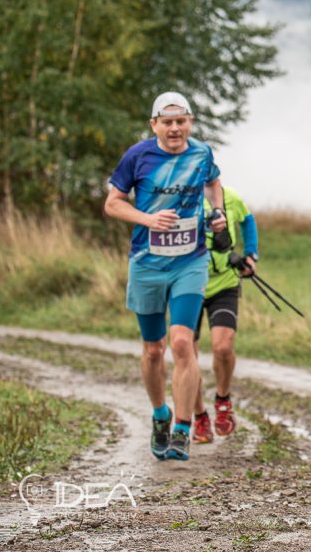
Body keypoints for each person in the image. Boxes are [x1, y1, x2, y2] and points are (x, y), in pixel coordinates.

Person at [105, 91, 227, 462]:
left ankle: (182, 429)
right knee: (154, 350)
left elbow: (214, 182)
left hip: (190, 261)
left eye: (181, 121)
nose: (175, 129)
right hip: (147, 262)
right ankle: (160, 413)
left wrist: (216, 213)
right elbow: (112, 203)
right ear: (154, 124)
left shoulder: (201, 153)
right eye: (167, 122)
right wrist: (148, 219)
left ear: (189, 121)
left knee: (181, 343)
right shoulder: (137, 156)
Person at [190, 186, 259, 444]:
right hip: (187, 286)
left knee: (223, 346)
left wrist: (251, 254)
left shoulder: (230, 198)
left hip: (224, 284)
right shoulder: (182, 197)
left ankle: (223, 400)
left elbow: (248, 220)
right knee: (188, 356)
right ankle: (199, 416)